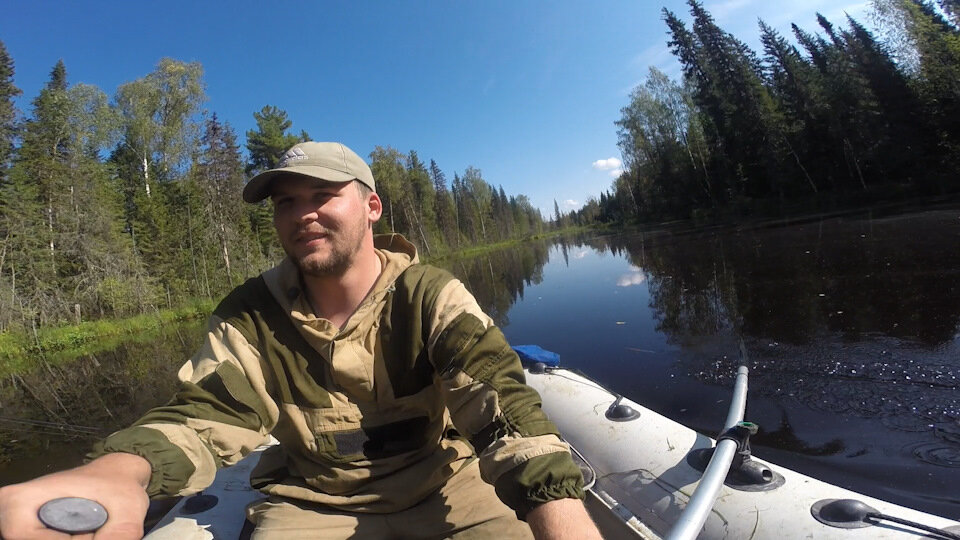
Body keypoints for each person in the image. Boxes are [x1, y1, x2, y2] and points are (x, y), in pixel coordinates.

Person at [0, 141, 602, 539]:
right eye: (287, 203)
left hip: (446, 485)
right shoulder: (249, 313)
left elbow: (500, 403)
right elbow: (207, 413)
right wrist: (121, 470)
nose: (302, 213)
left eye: (321, 196)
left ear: (371, 207)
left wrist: (559, 513)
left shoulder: (428, 294)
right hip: (312, 504)